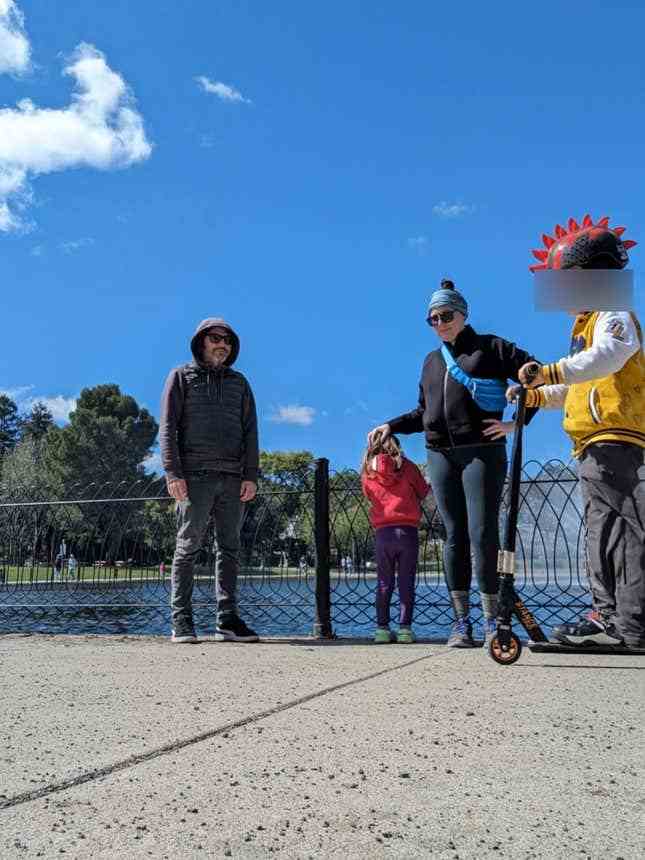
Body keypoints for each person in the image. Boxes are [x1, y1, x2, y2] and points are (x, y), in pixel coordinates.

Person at [368, 280, 539, 647]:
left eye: (446, 315)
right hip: (440, 454)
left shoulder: (491, 347)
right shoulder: (431, 362)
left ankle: (494, 620)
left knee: (481, 533)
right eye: (432, 319)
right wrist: (391, 425)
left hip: (481, 450)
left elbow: (533, 374)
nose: (440, 323)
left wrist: (518, 421)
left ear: (463, 314)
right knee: (454, 536)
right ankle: (462, 622)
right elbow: (423, 412)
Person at [517, 215, 644, 649]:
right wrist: (536, 395)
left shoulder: (613, 315)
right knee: (602, 530)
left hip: (615, 440)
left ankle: (625, 624)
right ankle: (613, 616)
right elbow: (578, 386)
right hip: (594, 443)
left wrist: (549, 371)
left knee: (617, 533)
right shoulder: (584, 328)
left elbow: (610, 357)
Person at [160, 318, 260, 644]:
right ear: (201, 342)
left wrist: (250, 475)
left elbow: (250, 432)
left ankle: (227, 621)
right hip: (194, 478)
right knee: (187, 548)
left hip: (233, 479)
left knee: (229, 549)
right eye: (215, 338)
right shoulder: (181, 377)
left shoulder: (240, 383)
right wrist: (173, 473)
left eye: (228, 341)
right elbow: (168, 428)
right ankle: (181, 622)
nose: (222, 345)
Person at [361, 432, 429, 643]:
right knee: (406, 581)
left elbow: (368, 495)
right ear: (397, 446)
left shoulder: (367, 472)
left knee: (384, 581)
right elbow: (423, 491)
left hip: (383, 533)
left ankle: (382, 629)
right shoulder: (408, 467)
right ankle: (405, 630)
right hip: (407, 531)